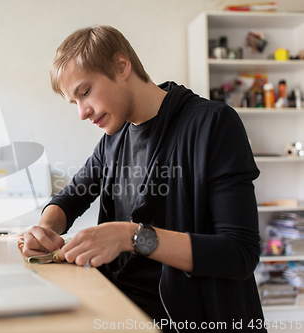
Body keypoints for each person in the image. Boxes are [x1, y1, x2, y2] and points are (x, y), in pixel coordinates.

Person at [23, 25, 266, 332]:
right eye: (75, 102)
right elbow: (71, 197)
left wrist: (132, 237)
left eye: (85, 92)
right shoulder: (114, 138)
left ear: (121, 66)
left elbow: (239, 254)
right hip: (122, 307)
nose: (82, 113)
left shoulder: (213, 124)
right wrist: (45, 229)